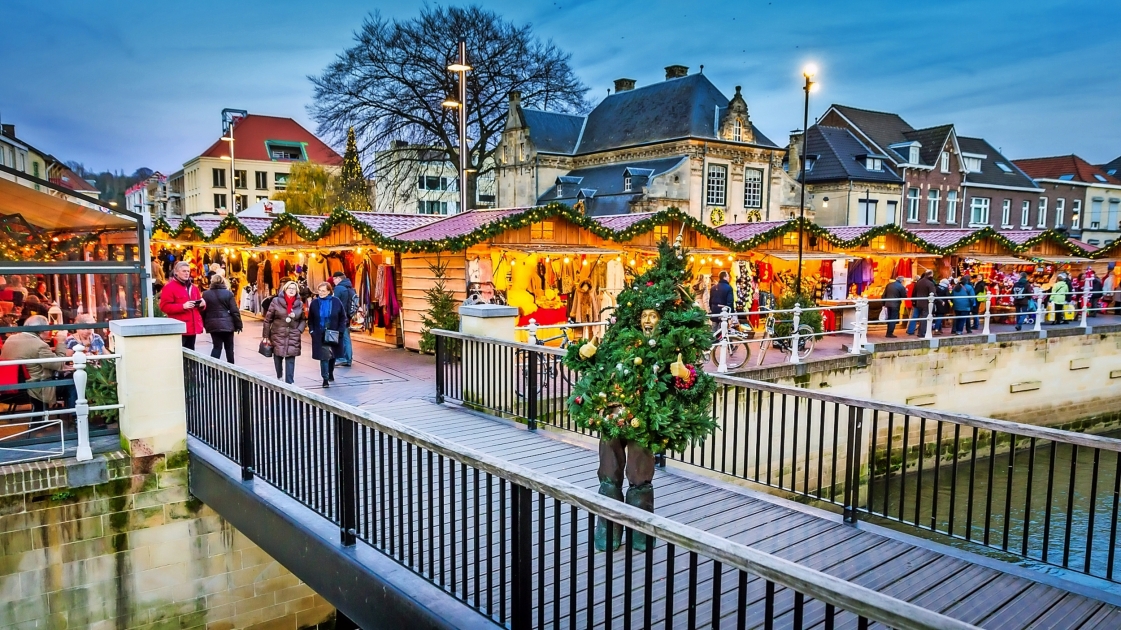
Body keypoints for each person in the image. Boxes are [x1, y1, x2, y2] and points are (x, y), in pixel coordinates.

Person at [0, 315, 70, 412]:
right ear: (42, 330)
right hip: (36, 389)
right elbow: (59, 365)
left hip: (10, 387)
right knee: (73, 382)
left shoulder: (11, 339)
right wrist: (61, 342)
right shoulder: (40, 345)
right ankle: (76, 418)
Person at [262, 281, 304, 384]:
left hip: (293, 333)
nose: (291, 290)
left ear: (297, 291)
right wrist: (265, 336)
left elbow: (303, 319)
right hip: (278, 333)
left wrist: (299, 330)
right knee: (278, 356)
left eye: (294, 288)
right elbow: (268, 320)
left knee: (291, 357)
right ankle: (279, 377)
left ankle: (290, 382)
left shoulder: (299, 303)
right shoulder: (276, 301)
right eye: (289, 288)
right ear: (285, 289)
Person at [309, 282, 347, 388]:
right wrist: (312, 331)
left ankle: (330, 372)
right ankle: (325, 379)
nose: (321, 293)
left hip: (333, 332)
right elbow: (310, 319)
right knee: (324, 357)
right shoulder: (314, 303)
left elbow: (343, 318)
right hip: (319, 334)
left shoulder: (336, 302)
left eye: (323, 291)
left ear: (329, 291)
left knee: (332, 355)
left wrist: (340, 331)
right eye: (319, 291)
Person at [160, 261, 206, 348]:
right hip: (180, 328)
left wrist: (202, 305)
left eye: (188, 271)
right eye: (184, 271)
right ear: (176, 272)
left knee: (191, 354)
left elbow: (199, 305)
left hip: (193, 328)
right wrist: (182, 306)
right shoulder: (169, 287)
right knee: (179, 355)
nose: (187, 273)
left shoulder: (194, 287)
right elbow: (164, 307)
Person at [201, 274, 243, 364]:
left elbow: (203, 310)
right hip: (227, 324)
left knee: (216, 347)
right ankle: (231, 369)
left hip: (213, 324)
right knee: (229, 348)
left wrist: (205, 324)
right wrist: (239, 325)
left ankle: (212, 369)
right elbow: (234, 311)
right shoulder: (228, 294)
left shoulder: (206, 294)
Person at [331, 271, 357, 367]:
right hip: (347, 316)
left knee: (341, 338)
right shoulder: (350, 287)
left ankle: (342, 358)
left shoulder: (339, 288)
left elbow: (335, 304)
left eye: (334, 279)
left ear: (338, 278)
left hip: (340, 317)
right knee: (346, 337)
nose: (333, 281)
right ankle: (348, 359)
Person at [910, 271, 936, 336]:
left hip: (918, 302)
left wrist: (914, 301)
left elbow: (914, 293)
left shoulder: (918, 282)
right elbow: (933, 294)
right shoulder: (930, 283)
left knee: (918, 317)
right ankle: (922, 333)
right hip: (926, 303)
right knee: (925, 317)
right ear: (930, 275)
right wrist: (941, 301)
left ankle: (915, 331)